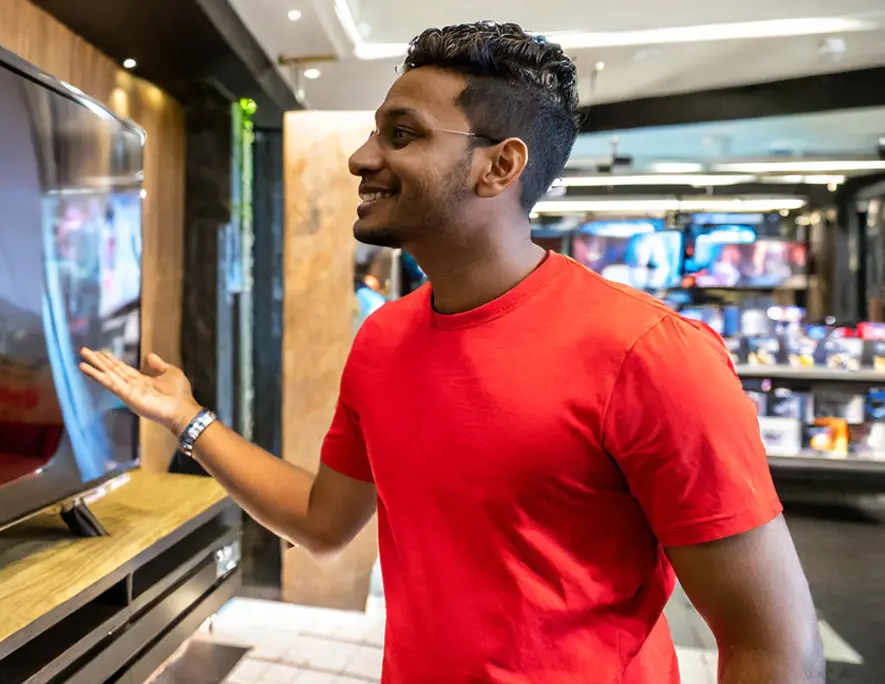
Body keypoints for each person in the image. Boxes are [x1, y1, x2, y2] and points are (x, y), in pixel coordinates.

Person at [79, 21, 823, 684]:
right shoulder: (383, 338)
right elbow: (321, 521)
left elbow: (773, 647)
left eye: (400, 135)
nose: (359, 157)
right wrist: (188, 419)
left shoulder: (651, 353)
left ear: (498, 167)